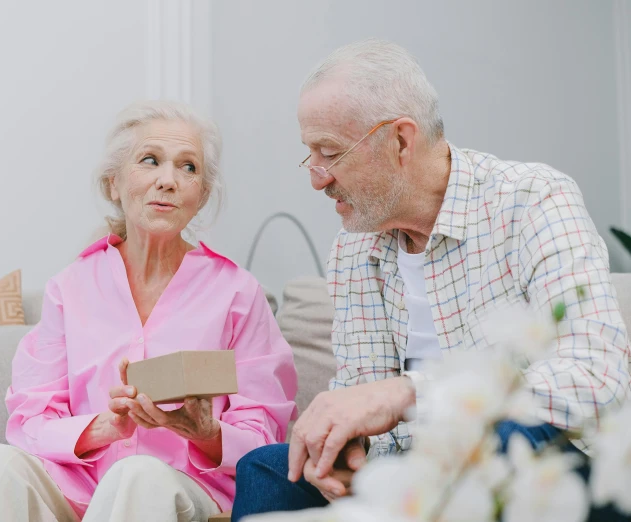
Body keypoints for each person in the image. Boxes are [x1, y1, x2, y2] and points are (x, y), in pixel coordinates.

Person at [232, 38, 630, 521]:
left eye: (330, 152)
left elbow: (596, 377)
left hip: (541, 470)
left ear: (401, 140)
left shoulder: (532, 200)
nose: (317, 178)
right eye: (309, 154)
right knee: (270, 469)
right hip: (419, 476)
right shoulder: (354, 248)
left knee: (499, 437)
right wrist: (342, 450)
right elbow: (364, 397)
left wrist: (409, 393)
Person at [0, 100, 297, 522]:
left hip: (182, 489)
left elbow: (267, 436)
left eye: (188, 167)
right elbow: (31, 417)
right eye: (150, 160)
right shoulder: (71, 286)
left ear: (201, 195)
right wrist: (103, 427)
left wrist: (206, 433)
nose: (168, 180)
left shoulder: (237, 293)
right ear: (114, 185)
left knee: (136, 477)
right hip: (79, 485)